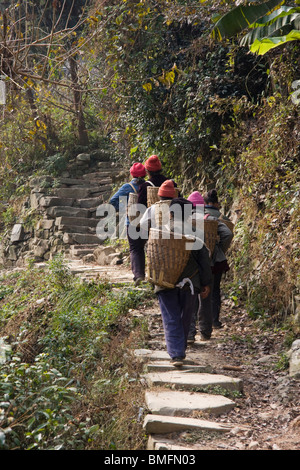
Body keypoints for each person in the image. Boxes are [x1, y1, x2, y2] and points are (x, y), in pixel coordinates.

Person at [148, 197, 212, 367]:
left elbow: (152, 258)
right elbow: (204, 261)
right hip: (189, 284)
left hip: (164, 282)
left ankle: (176, 353)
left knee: (171, 317)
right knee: (185, 317)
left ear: (170, 214)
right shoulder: (195, 235)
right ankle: (180, 350)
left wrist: (153, 282)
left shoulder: (159, 233)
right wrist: (206, 283)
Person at [187, 189, 233, 342]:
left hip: (191, 266)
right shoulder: (211, 219)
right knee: (208, 295)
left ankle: (190, 333)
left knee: (191, 297)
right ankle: (206, 331)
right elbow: (227, 234)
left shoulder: (185, 220)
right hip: (211, 263)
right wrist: (217, 249)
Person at [109, 162, 147, 285]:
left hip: (132, 222)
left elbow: (113, 201)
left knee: (135, 249)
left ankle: (139, 275)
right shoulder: (149, 186)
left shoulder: (127, 187)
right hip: (148, 222)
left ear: (132, 174)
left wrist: (125, 207)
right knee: (145, 247)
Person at [204, 189, 233, 329]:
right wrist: (220, 250)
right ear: (216, 203)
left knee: (200, 290)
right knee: (215, 290)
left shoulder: (194, 215)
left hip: (199, 259)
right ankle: (215, 321)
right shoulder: (222, 217)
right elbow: (228, 234)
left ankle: (201, 322)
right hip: (216, 260)